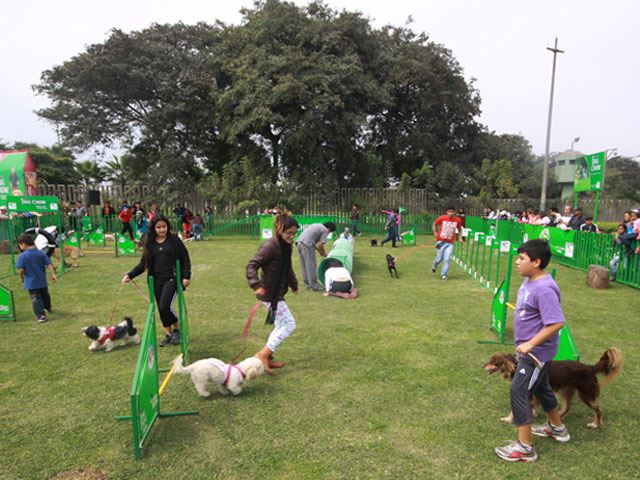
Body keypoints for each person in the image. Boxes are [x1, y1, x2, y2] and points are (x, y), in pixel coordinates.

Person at [494, 239, 568, 462]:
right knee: (543, 387)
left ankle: (525, 447)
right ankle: (557, 428)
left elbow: (556, 323)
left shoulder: (545, 289)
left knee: (519, 391)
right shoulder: (530, 280)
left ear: (536, 262)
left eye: (522, 259)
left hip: (535, 354)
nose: (517, 263)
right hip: (529, 351)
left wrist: (531, 344)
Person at [123, 214, 191, 347]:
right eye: (158, 227)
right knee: (161, 309)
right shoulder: (150, 242)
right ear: (153, 228)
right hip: (155, 280)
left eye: (164, 226)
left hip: (172, 278)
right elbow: (144, 264)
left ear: (168, 226)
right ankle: (169, 334)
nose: (161, 230)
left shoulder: (174, 241)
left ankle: (177, 329)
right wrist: (130, 275)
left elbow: (185, 258)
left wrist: (186, 276)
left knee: (165, 306)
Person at [246, 210, 299, 374]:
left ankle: (268, 357)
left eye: (295, 234)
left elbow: (287, 268)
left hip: (278, 291)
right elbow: (252, 265)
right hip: (269, 292)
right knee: (289, 324)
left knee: (280, 324)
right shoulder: (270, 246)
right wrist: (255, 285)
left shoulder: (286, 246)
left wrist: (293, 284)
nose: (292, 237)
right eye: (289, 233)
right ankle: (263, 354)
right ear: (280, 230)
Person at [16, 233, 57, 323]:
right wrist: (53, 274)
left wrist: (21, 277)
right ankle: (48, 306)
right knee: (45, 295)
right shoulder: (40, 253)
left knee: (36, 299)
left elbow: (21, 269)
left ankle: (41, 315)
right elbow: (49, 263)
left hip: (31, 282)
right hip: (42, 280)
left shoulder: (22, 256)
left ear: (22, 244)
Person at [297, 221, 336, 291]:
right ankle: (314, 286)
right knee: (311, 265)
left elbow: (314, 243)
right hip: (307, 244)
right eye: (330, 232)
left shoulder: (317, 225)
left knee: (304, 265)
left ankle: (308, 284)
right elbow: (320, 244)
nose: (328, 233)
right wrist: (324, 253)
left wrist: (319, 251)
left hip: (299, 243)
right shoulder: (325, 230)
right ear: (329, 229)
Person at [431, 206, 463, 281]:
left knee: (447, 259)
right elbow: (435, 223)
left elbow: (460, 229)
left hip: (450, 243)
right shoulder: (442, 218)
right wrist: (434, 232)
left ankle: (443, 274)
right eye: (449, 211)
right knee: (439, 258)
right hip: (440, 241)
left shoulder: (457, 220)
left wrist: (461, 238)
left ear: (454, 212)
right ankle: (435, 264)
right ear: (447, 212)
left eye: (452, 211)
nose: (451, 213)